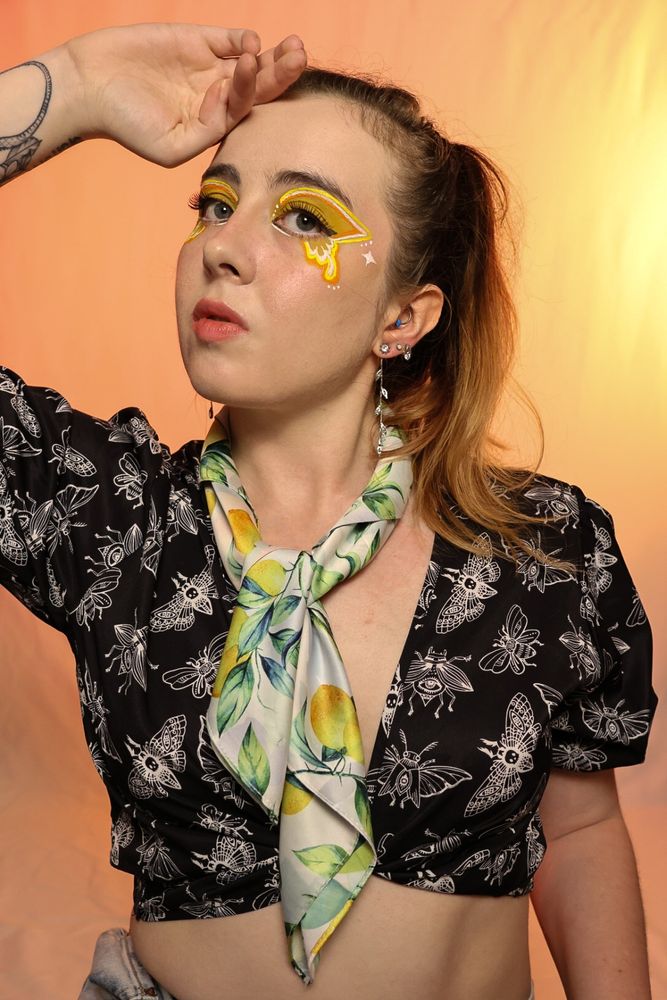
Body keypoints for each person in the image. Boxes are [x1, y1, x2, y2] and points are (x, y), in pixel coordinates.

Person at [0, 21, 658, 1000]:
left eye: (304, 217)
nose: (223, 246)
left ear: (403, 317)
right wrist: (83, 86)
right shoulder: (112, 518)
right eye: (215, 204)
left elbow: (582, 833)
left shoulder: (543, 553)